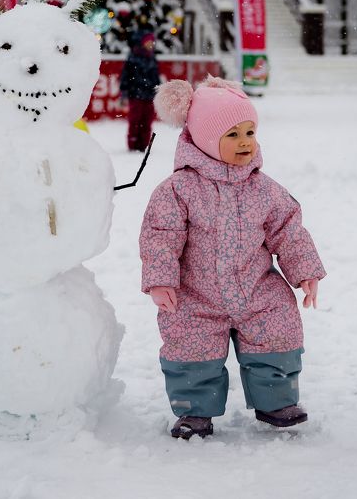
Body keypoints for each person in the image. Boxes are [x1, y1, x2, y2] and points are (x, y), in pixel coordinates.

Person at [140, 75, 326, 439]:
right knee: (190, 347)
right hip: (195, 294)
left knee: (277, 334)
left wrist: (304, 271)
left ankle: (276, 401)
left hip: (257, 289)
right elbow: (160, 236)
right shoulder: (179, 190)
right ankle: (195, 411)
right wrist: (160, 280)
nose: (245, 142)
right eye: (232, 135)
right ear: (207, 140)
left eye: (249, 132)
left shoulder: (264, 188)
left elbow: (288, 230)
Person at [119, 28, 160, 151]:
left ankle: (143, 145)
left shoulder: (152, 59)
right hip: (135, 95)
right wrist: (124, 93)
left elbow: (156, 78)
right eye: (148, 42)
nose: (151, 45)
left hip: (149, 96)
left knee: (147, 122)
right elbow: (125, 77)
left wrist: (157, 91)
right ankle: (133, 145)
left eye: (152, 42)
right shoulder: (133, 58)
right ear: (142, 42)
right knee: (135, 121)